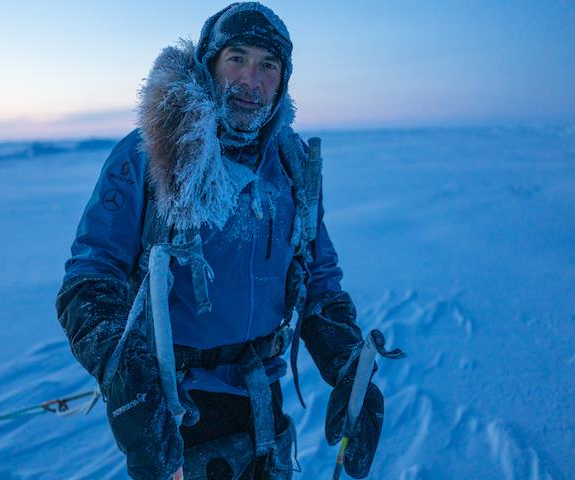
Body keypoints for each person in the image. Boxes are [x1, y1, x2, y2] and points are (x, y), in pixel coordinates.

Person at [56, 3, 389, 479]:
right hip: (176, 407)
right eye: (237, 58)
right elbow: (90, 279)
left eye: (267, 66)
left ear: (283, 80)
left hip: (264, 404)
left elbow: (319, 279)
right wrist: (124, 371)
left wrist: (348, 367)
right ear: (208, 65)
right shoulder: (148, 154)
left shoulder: (291, 166)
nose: (251, 81)